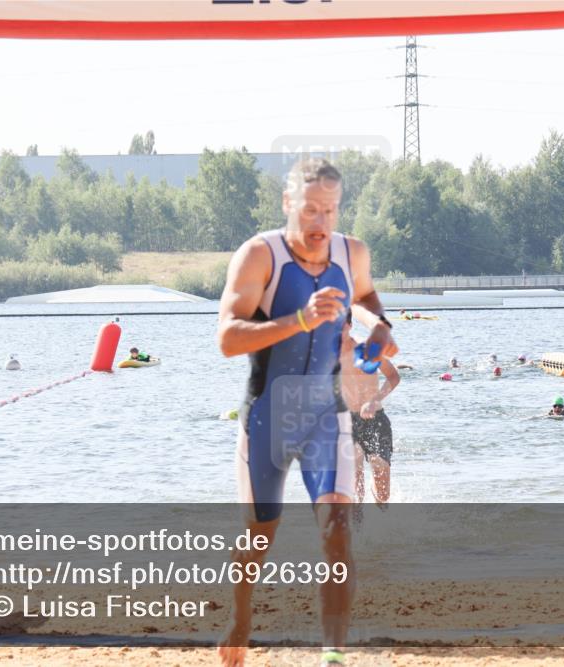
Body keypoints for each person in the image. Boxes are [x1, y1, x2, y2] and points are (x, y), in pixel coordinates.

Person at [217, 158, 398, 667]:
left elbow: (364, 297)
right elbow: (227, 338)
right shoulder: (259, 256)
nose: (321, 222)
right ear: (288, 205)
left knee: (337, 530)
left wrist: (380, 329)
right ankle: (241, 618)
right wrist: (298, 319)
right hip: (268, 416)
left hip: (327, 415)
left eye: (331, 210)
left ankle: (333, 654)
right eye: (311, 210)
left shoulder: (351, 252)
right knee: (258, 536)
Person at [340, 313, 400, 509]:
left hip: (376, 420)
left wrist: (374, 401)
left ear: (348, 325)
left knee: (382, 483)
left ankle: (380, 516)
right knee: (354, 470)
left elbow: (393, 377)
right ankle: (358, 527)